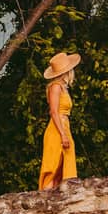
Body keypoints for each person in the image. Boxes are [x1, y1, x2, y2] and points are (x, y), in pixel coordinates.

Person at [38, 51, 81, 190]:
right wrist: (62, 134)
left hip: (64, 126)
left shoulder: (63, 88)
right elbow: (54, 112)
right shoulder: (55, 87)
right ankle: (44, 199)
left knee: (63, 165)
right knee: (54, 166)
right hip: (57, 128)